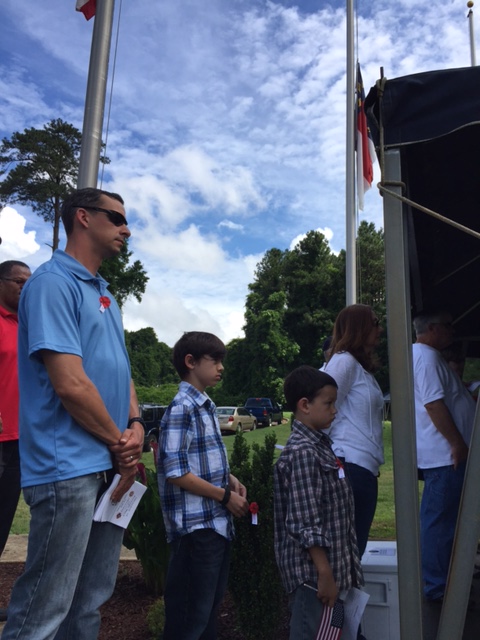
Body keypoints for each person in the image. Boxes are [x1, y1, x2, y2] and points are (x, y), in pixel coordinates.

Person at [2, 188, 144, 640]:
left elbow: (121, 371)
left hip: (108, 468)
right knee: (44, 608)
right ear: (82, 217)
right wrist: (119, 443)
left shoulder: (105, 293)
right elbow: (70, 384)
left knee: (89, 602)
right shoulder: (50, 284)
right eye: (117, 217)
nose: (126, 228)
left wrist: (136, 424)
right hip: (68, 471)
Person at [157, 331, 249, 640]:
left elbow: (200, 461)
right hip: (195, 530)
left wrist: (230, 479)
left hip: (214, 526)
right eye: (215, 360)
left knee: (207, 612)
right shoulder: (183, 407)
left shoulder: (205, 405)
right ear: (191, 362)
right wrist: (224, 497)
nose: (221, 367)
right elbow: (175, 471)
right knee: (188, 619)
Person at [274, 365, 363, 640]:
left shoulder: (321, 445)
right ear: (305, 405)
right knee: (309, 634)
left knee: (334, 635)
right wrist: (324, 574)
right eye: (329, 403)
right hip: (315, 582)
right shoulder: (303, 452)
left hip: (335, 580)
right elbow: (305, 520)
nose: (335, 410)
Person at [412, 310, 475, 602]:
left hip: (445, 456)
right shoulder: (425, 357)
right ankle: (437, 589)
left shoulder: (428, 356)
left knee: (445, 522)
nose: (453, 332)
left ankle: (443, 582)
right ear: (433, 329)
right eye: (448, 326)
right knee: (439, 524)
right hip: (444, 456)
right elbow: (433, 404)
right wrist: (457, 442)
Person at [323, 304, 384, 556]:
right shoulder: (344, 361)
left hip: (363, 470)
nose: (380, 329)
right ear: (358, 327)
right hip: (348, 467)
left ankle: (343, 596)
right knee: (345, 556)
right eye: (374, 322)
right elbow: (320, 408)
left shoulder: (361, 369)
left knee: (353, 554)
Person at [0, 260, 31, 623]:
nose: (25, 287)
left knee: (4, 521)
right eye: (19, 281)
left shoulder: (28, 327)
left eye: (30, 282)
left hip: (20, 442)